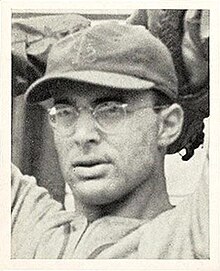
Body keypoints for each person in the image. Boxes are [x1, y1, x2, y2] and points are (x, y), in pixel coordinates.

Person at [11, 21, 208, 259]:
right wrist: (69, 42)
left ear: (167, 125)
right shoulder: (27, 229)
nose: (82, 136)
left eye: (110, 109)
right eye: (65, 112)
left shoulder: (195, 236)